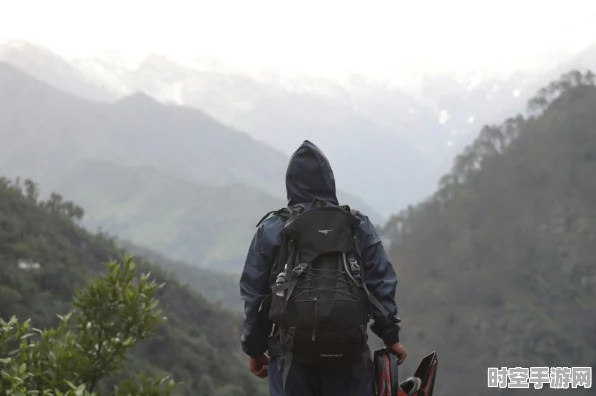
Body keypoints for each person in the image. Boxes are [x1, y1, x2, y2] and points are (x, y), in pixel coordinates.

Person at [240, 140, 406, 396]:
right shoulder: (356, 225)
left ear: (291, 183)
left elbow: (256, 297)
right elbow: (380, 284)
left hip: (290, 357)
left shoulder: (273, 229)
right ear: (329, 181)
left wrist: (254, 349)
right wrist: (391, 337)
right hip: (349, 355)